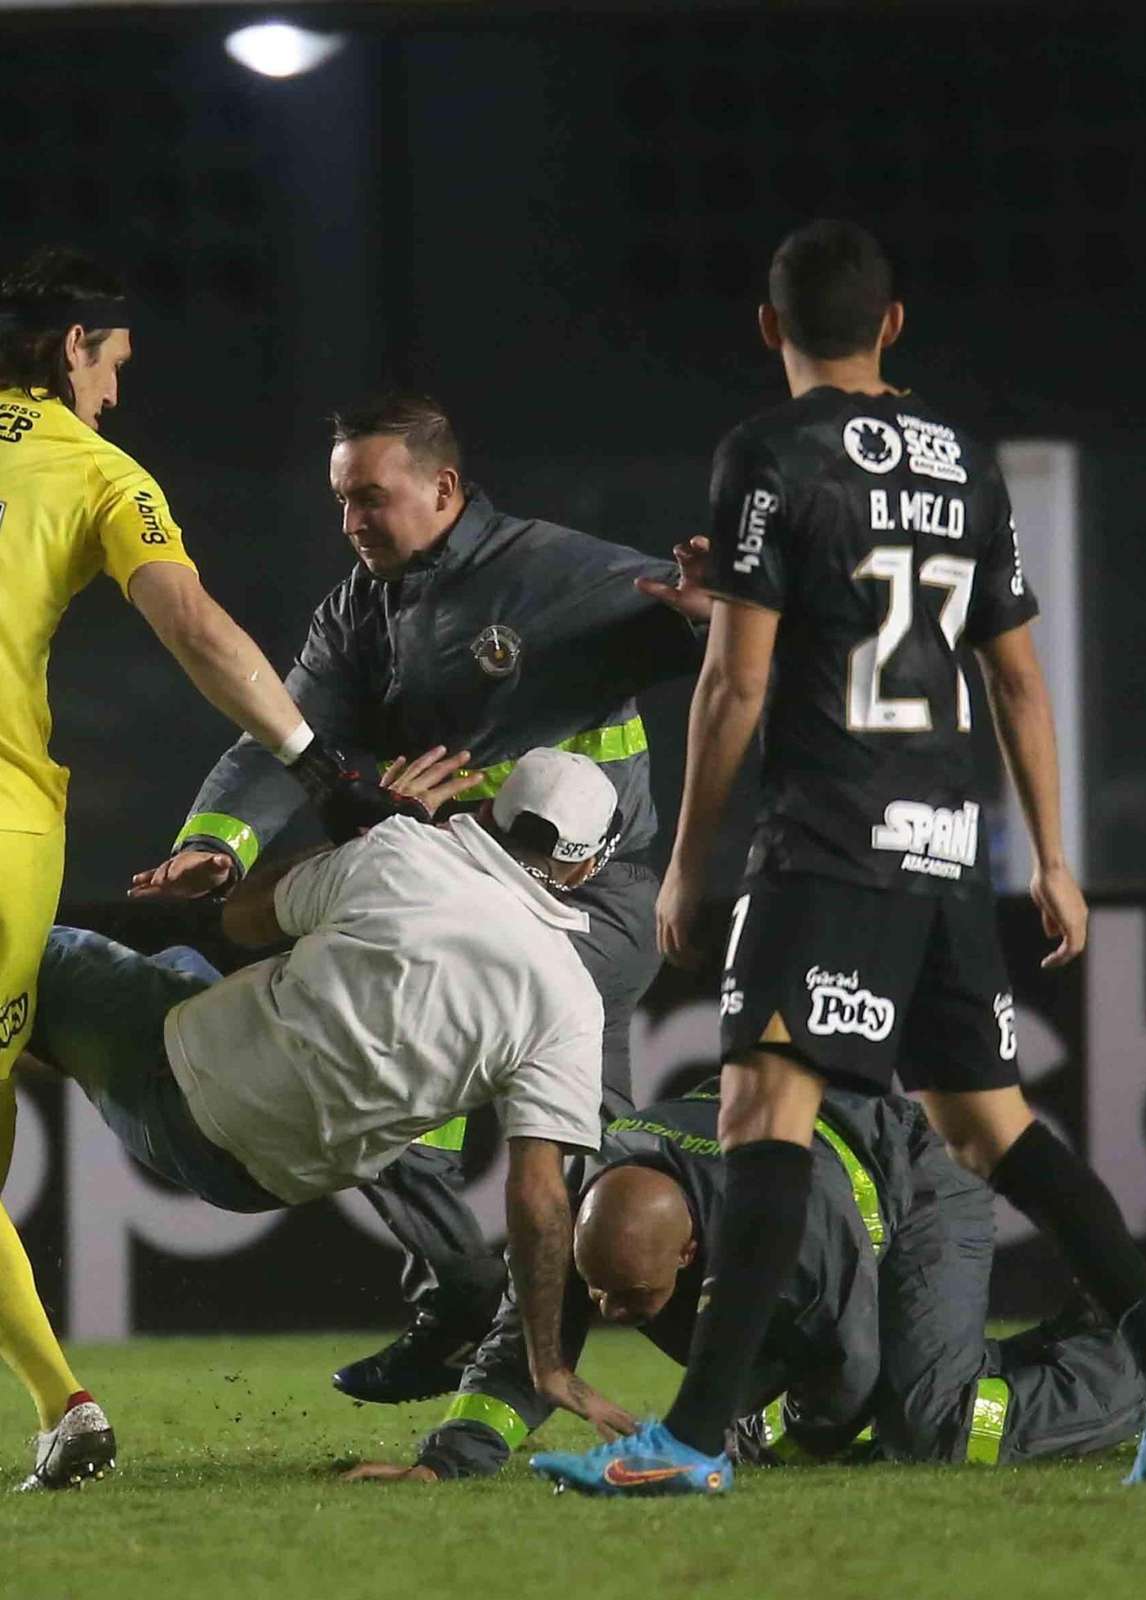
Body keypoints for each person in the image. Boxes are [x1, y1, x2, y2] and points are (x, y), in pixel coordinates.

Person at [542, 219, 1146, 1496]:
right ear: (894, 325)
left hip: (831, 837)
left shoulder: (767, 453)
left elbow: (735, 684)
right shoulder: (965, 463)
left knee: (762, 1108)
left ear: (768, 326)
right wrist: (1052, 857)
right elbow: (1015, 674)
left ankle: (687, 1442)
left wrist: (686, 863)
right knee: (989, 1122)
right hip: (948, 841)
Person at [128, 392, 712, 1399]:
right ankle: (745, 1370)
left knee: (395, 1028)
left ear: (443, 489)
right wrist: (213, 844)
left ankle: (466, 1301)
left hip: (589, 896)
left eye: (369, 497)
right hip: (468, 896)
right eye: (339, 499)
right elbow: (282, 729)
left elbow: (704, 634)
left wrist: (713, 615)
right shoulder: (362, 610)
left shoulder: (548, 570)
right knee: (596, 1178)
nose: (350, 519)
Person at [0, 247, 403, 1491]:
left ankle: (64, 1402)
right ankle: (66, 1403)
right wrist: (316, 765)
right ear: (74, 351)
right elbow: (191, 623)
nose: (118, 391)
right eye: (114, 364)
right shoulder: (93, 469)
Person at [30, 748, 634, 1444]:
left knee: (41, 954)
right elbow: (539, 1196)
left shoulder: (402, 853)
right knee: (179, 972)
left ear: (488, 811)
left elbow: (242, 918)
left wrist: (369, 833)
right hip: (266, 1183)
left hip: (181, 1089)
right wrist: (547, 1361)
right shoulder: (571, 1004)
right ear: (586, 869)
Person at [341, 1085, 1145, 1485]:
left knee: (929, 1423)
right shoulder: (586, 1221)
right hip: (814, 1195)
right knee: (905, 1392)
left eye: (635, 1298)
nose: (613, 1316)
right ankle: (1078, 1339)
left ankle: (1145, 1370)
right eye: (600, 1293)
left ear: (693, 1252)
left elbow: (847, 1379)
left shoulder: (785, 1235)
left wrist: (756, 1436)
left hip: (915, 1182)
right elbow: (527, 1346)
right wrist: (445, 1462)